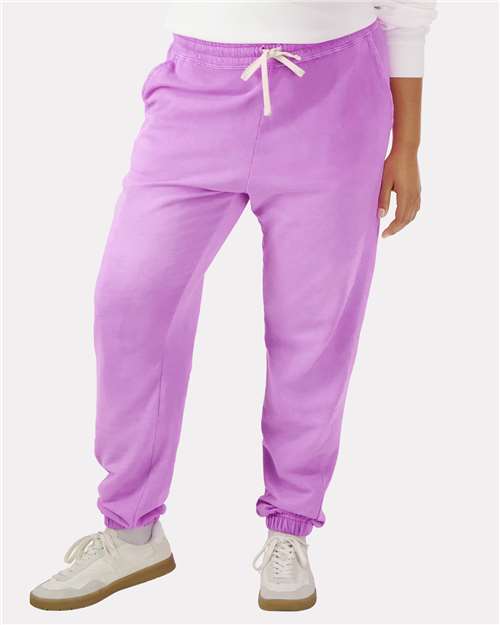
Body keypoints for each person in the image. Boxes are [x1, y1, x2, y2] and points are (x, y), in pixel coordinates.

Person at [30, 0, 436, 612]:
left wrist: (407, 143)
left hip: (334, 98)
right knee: (131, 299)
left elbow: (406, 10)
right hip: (196, 92)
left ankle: (290, 527)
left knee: (314, 326)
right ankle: (133, 531)